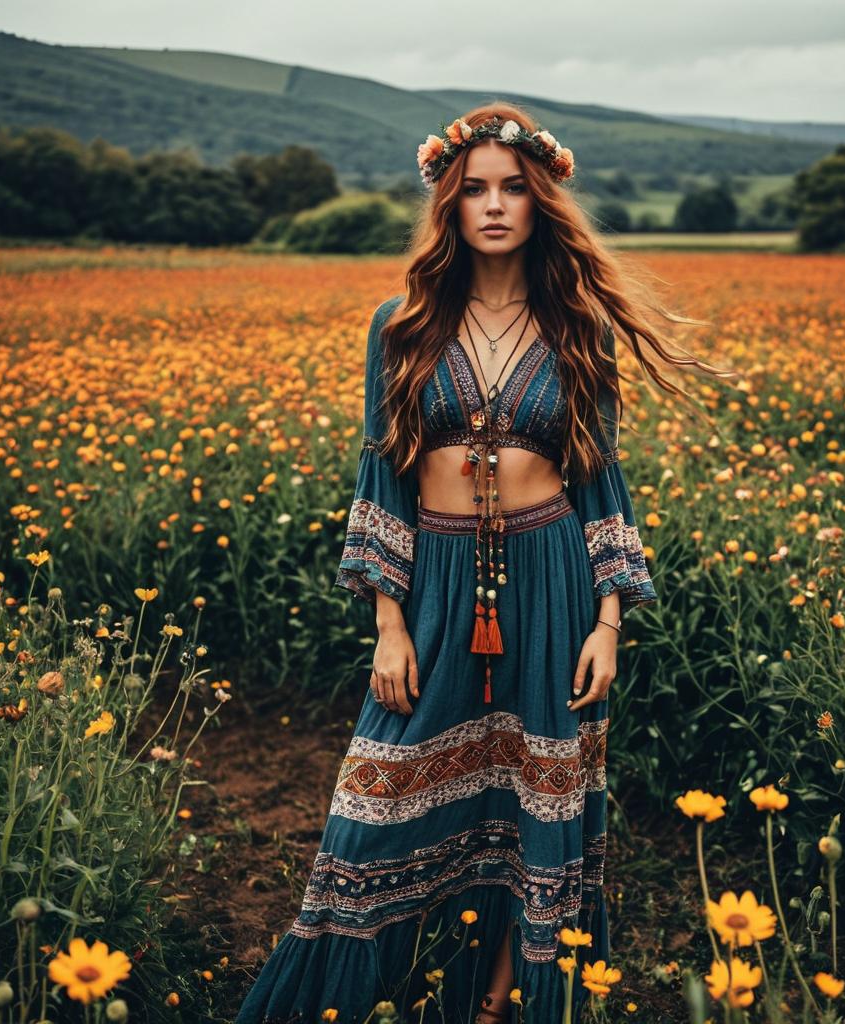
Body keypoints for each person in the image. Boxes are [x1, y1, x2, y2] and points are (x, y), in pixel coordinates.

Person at [235, 103, 733, 1024]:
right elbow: (381, 471)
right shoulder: (404, 322)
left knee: (538, 803)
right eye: (475, 189)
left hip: (552, 581)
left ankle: (501, 1002)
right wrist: (388, 622)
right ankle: (360, 990)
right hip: (435, 588)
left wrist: (608, 621)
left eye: (513, 188)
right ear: (448, 204)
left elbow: (599, 480)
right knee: (377, 797)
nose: (494, 206)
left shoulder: (578, 324)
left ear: (540, 201)